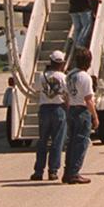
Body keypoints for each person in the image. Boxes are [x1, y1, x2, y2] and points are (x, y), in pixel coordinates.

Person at [30, 50, 68, 181]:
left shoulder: (42, 76)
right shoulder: (63, 77)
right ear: (62, 63)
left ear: (50, 61)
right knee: (57, 141)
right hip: (59, 108)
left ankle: (38, 171)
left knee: (42, 141)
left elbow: (36, 89)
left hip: (44, 109)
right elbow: (67, 94)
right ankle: (53, 171)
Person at [63, 48, 99, 184]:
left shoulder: (70, 75)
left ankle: (68, 171)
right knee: (81, 143)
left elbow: (66, 95)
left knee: (71, 142)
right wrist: (95, 116)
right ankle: (74, 172)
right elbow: (88, 99)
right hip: (82, 110)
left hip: (71, 108)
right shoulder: (85, 77)